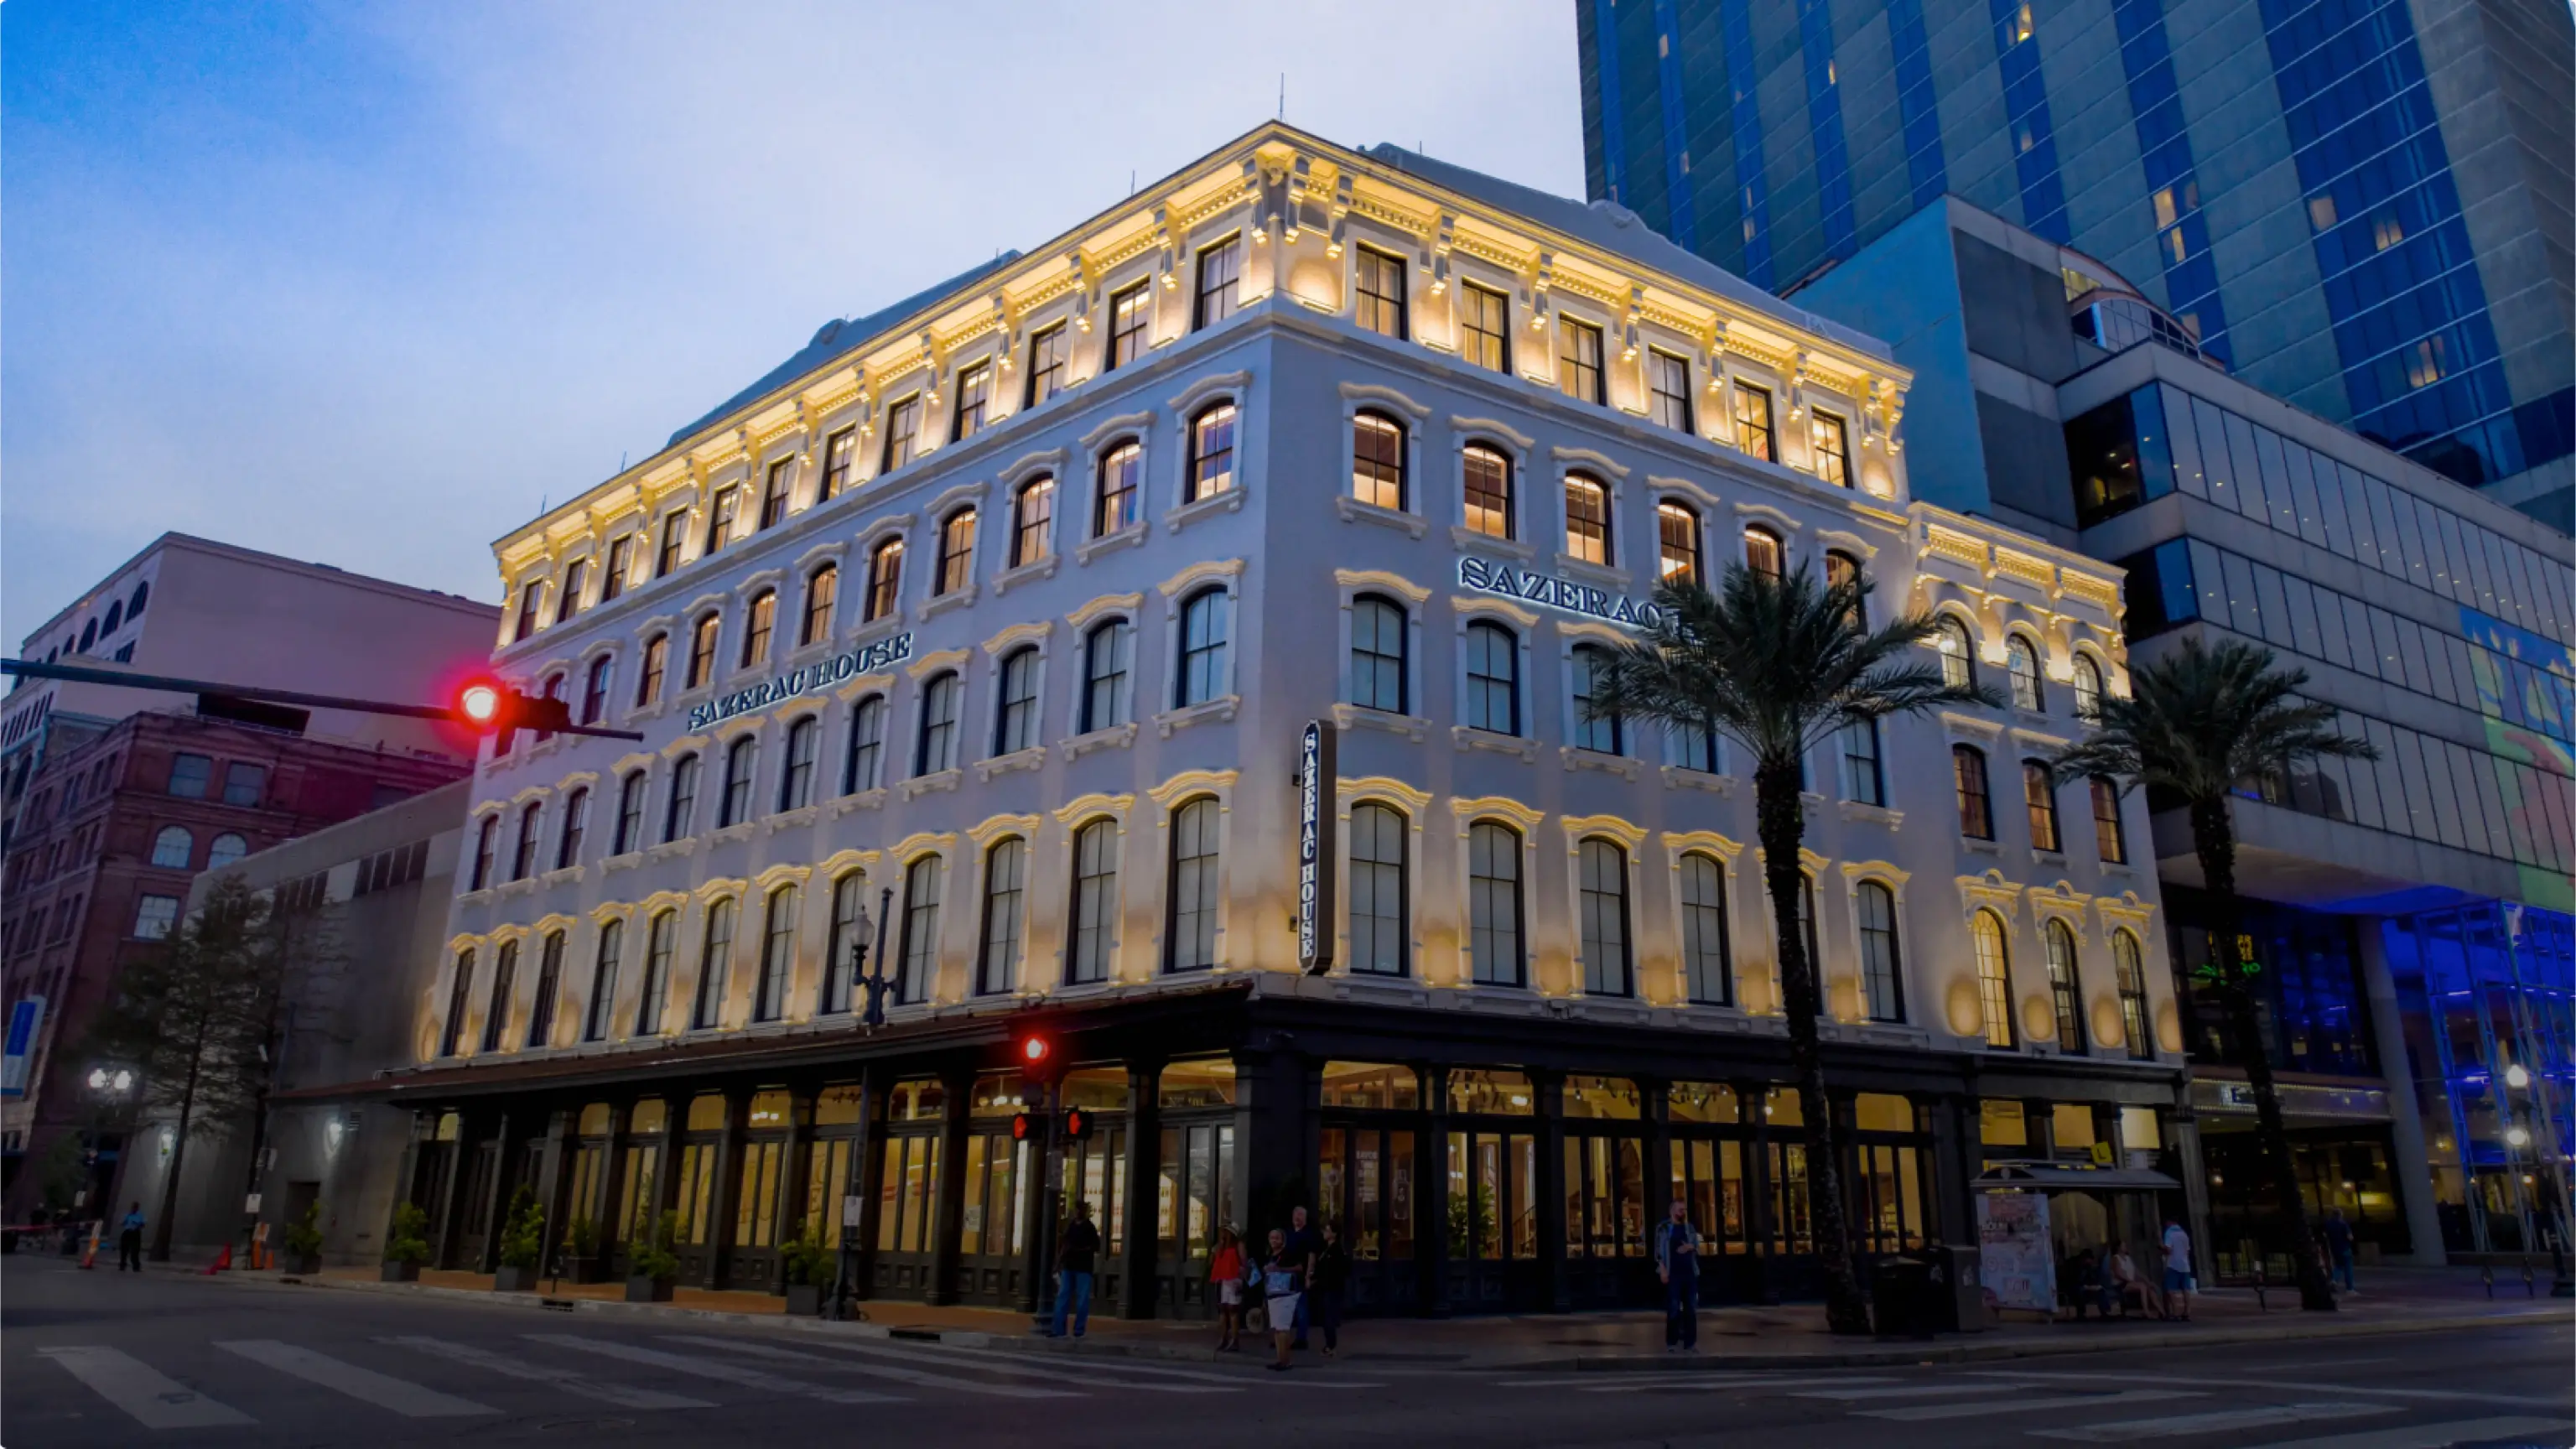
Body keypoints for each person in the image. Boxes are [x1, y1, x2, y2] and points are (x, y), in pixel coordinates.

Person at [1652, 1197, 1702, 1351]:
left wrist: (1691, 1246)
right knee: (1673, 1308)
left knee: (1691, 1308)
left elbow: (1697, 1246)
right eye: (1680, 1210)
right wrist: (1663, 1270)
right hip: (1673, 1273)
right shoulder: (1664, 1228)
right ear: (1673, 1211)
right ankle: (1671, 1342)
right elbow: (1658, 1251)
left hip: (1689, 1273)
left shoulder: (1689, 1228)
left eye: (1684, 1210)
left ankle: (1690, 1343)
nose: (1683, 1213)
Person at [1048, 1201, 1101, 1338]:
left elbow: (1096, 1246)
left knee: (1082, 1300)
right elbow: (1065, 1245)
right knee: (1063, 1297)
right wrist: (1058, 1262)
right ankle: (1059, 1329)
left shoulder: (1090, 1227)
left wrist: (1081, 1250)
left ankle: (1078, 1329)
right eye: (1076, 1209)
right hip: (1069, 1266)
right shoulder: (1070, 1226)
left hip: (1083, 1267)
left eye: (1080, 1210)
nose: (1078, 1212)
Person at [1257, 1228, 1306, 1372]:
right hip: (1273, 1294)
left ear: (1283, 1240)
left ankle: (1286, 1361)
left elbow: (1299, 1267)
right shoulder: (1270, 1255)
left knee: (1283, 1328)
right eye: (1272, 1238)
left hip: (1286, 1295)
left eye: (1277, 1238)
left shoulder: (1288, 1254)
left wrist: (1280, 1269)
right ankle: (1280, 1359)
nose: (1274, 1241)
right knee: (1277, 1329)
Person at [1280, 1205, 1320, 1351]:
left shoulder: (1308, 1235)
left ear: (1305, 1218)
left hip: (1299, 1275)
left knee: (1301, 1308)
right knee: (1286, 1307)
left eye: (1300, 1215)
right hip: (1285, 1276)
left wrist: (1309, 1275)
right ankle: (1282, 1337)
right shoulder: (1288, 1233)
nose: (1297, 1218)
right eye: (1296, 1215)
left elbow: (1311, 1256)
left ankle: (1301, 1339)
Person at [1309, 1221, 1350, 1358]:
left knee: (1329, 1318)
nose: (1324, 1233)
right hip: (1324, 1287)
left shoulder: (1337, 1250)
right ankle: (1329, 1344)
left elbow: (1339, 1271)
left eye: (1327, 1230)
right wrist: (1314, 1277)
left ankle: (1331, 1346)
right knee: (1325, 1316)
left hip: (1333, 1289)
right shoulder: (1325, 1249)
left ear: (1334, 1233)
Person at [1209, 1226, 1246, 1353]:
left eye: (1226, 1232)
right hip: (1222, 1280)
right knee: (1223, 1311)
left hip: (1234, 1279)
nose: (1224, 1234)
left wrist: (1242, 1273)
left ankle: (1235, 1340)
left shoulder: (1238, 1245)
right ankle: (1223, 1338)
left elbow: (1243, 1261)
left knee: (1233, 1310)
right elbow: (1212, 1262)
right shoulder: (1220, 1246)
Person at [2159, 1215, 2194, 1322]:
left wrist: (2162, 1248)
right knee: (2186, 1290)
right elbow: (2187, 1250)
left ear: (2169, 1222)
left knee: (2170, 1289)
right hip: (2185, 1265)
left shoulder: (2169, 1233)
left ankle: (2175, 1311)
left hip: (2173, 1264)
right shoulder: (2184, 1234)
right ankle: (2187, 1311)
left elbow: (2169, 1250)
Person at [2108, 1244, 2157, 1319]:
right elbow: (2118, 1273)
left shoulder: (2128, 1258)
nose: (2126, 1247)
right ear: (2118, 1248)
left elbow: (2137, 1272)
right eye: (2123, 1245)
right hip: (2121, 1284)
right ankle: (2146, 1312)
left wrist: (2148, 1281)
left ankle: (2162, 1312)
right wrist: (2129, 1280)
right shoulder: (2116, 1258)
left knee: (2149, 1288)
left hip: (2130, 1283)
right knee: (2142, 1287)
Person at [2323, 1208, 2356, 1293]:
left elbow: (2325, 1235)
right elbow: (2350, 1237)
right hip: (2345, 1248)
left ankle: (2334, 1280)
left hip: (2334, 1249)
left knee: (2338, 1266)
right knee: (2348, 1269)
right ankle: (2350, 1288)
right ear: (2340, 1215)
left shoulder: (2329, 1224)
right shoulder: (2343, 1224)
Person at [117, 1202, 145, 1273]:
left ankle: (136, 1267)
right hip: (127, 1232)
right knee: (124, 1249)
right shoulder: (128, 1215)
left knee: (135, 1250)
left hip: (135, 1232)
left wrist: (138, 1224)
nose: (133, 1209)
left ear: (137, 1208)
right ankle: (122, 1265)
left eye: (135, 1208)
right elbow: (122, 1223)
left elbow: (143, 1224)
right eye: (133, 1207)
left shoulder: (139, 1215)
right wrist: (123, 1221)